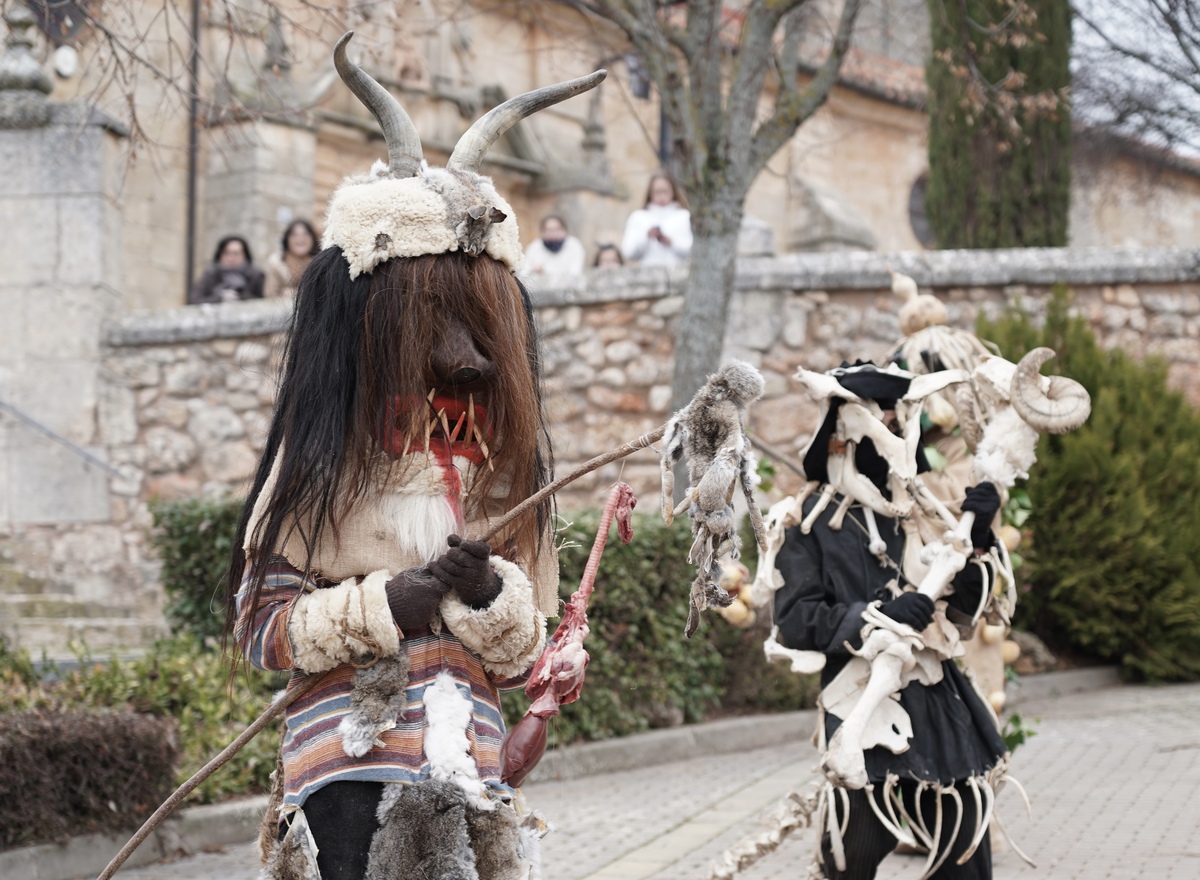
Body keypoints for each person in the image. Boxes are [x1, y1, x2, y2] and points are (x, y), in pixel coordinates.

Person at [224, 34, 600, 880]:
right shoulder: (323, 467)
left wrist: (485, 591)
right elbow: (260, 629)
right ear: (374, 319)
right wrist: (391, 600)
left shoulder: (501, 470)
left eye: (478, 325)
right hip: (347, 770)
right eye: (437, 322)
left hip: (471, 772)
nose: (467, 357)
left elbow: (520, 656)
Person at [771, 362, 1007, 880]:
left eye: (900, 422)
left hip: (939, 703)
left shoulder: (926, 512)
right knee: (849, 862)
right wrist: (873, 617)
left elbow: (966, 613)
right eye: (879, 421)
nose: (891, 435)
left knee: (964, 854)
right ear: (841, 435)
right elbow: (795, 619)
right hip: (862, 705)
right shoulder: (806, 522)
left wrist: (979, 538)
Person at [620, 171, 693, 266]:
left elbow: (694, 252)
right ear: (650, 193)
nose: (661, 196)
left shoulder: (685, 217)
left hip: (679, 274)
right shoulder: (638, 217)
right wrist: (646, 237)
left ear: (673, 192)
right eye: (657, 192)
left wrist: (670, 242)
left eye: (665, 191)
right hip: (647, 275)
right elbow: (628, 252)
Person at [189, 236, 265, 304]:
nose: (231, 258)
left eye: (236, 253)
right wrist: (219, 298)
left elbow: (264, 302)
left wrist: (241, 294)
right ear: (220, 255)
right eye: (226, 253)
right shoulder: (211, 274)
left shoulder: (255, 275)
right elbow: (195, 300)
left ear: (245, 255)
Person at [264, 219, 320, 299]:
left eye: (305, 234)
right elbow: (269, 296)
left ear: (313, 239)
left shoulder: (319, 265)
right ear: (287, 240)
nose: (300, 238)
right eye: (295, 234)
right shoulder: (276, 263)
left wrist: (295, 293)